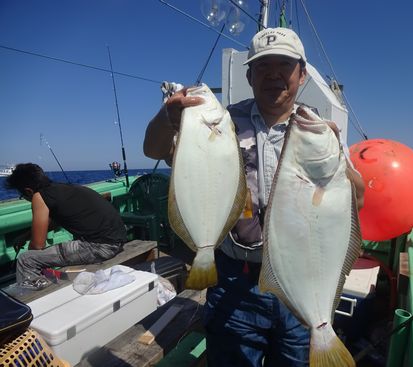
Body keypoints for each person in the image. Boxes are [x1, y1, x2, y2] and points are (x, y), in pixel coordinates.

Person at [144, 27, 365, 367]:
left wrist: (340, 172)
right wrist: (169, 118)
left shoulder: (318, 128)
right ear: (249, 75)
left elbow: (356, 200)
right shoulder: (218, 123)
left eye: (285, 65)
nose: (274, 74)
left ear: (302, 74)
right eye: (263, 66)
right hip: (235, 280)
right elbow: (154, 149)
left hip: (300, 283)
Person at [5, 163, 127, 287]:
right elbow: (56, 221)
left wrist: (35, 257)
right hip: (117, 242)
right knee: (33, 258)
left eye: (22, 196)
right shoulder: (60, 189)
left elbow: (37, 245)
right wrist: (26, 236)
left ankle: (33, 299)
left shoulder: (38, 196)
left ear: (28, 191)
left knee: (26, 260)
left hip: (100, 247)